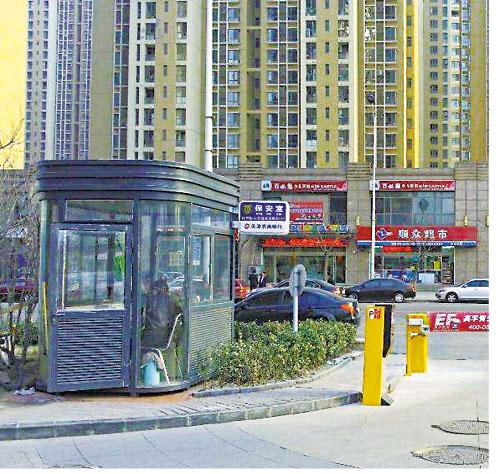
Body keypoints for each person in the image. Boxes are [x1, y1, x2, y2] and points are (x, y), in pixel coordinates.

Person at [142, 274, 182, 349]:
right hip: (167, 339)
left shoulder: (153, 301)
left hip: (152, 339)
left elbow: (143, 321)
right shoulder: (172, 300)